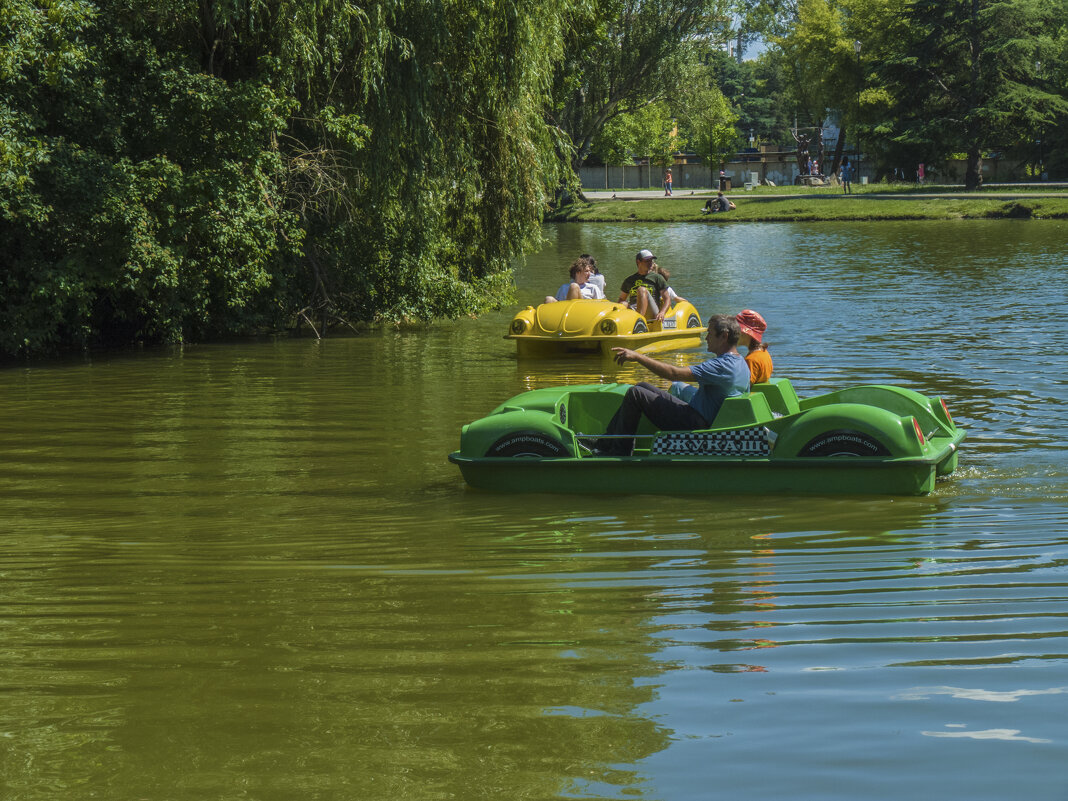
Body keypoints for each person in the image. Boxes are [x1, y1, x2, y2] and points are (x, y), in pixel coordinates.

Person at [594, 314, 750, 456]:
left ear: (724, 336)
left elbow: (673, 373)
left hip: (697, 426)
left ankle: (620, 450)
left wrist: (638, 357)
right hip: (701, 417)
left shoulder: (721, 366)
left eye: (709, 333)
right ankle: (605, 443)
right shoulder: (740, 362)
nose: (706, 338)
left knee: (636, 394)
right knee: (642, 385)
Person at [618, 249, 670, 321]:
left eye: (651, 260)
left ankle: (639, 321)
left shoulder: (657, 278)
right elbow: (621, 298)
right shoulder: (629, 280)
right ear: (638, 262)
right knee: (622, 304)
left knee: (641, 290)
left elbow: (667, 299)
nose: (650, 263)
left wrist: (662, 312)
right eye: (647, 261)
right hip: (634, 309)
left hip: (651, 312)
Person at [736, 309, 773, 384]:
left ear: (746, 333)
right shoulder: (764, 353)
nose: (733, 334)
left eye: (736, 330)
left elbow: (744, 386)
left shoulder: (751, 360)